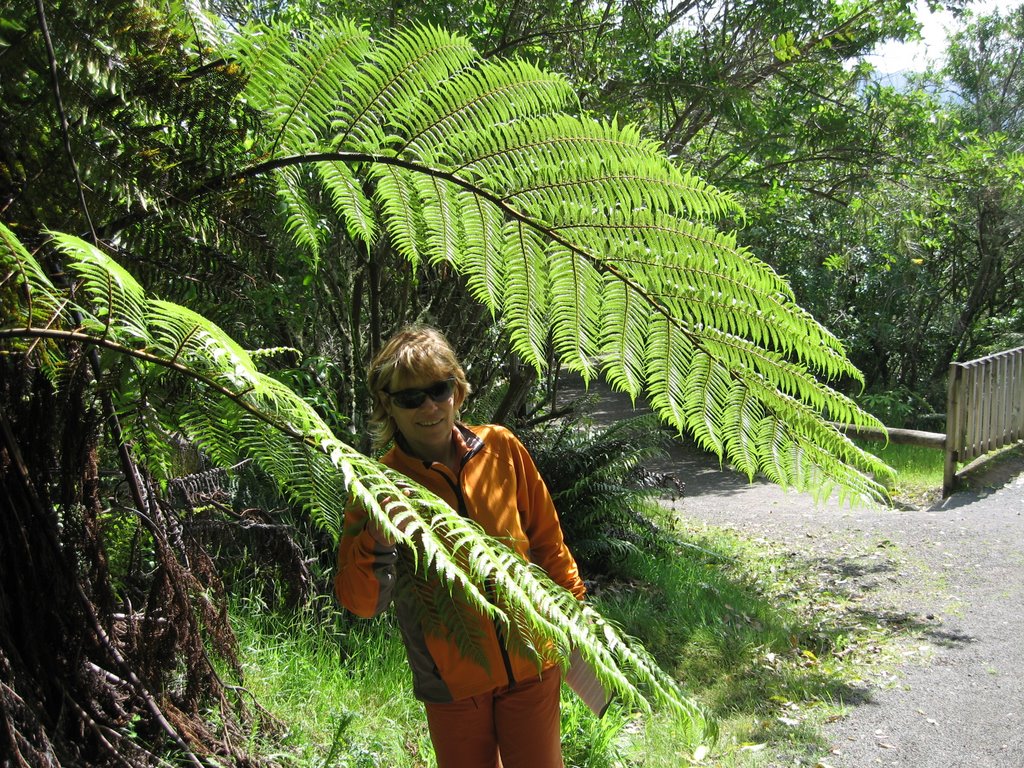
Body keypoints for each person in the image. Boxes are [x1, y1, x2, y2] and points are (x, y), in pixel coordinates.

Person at [335, 324, 586, 768]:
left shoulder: (501, 448)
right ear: (387, 405)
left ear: (458, 390)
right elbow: (361, 603)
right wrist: (378, 531)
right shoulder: (376, 485)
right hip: (452, 683)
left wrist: (576, 615)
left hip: (533, 663)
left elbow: (547, 541)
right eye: (411, 397)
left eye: (439, 390)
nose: (429, 406)